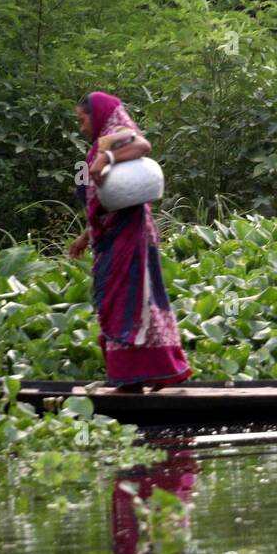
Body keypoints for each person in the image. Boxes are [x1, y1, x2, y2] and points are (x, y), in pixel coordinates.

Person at [69, 91, 192, 390]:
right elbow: (106, 201)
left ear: (96, 115)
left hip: (132, 235)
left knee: (131, 301)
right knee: (126, 302)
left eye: (82, 120)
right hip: (110, 236)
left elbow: (143, 145)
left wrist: (107, 156)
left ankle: (139, 377)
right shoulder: (99, 144)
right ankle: (141, 375)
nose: (81, 127)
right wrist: (85, 235)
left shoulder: (116, 136)